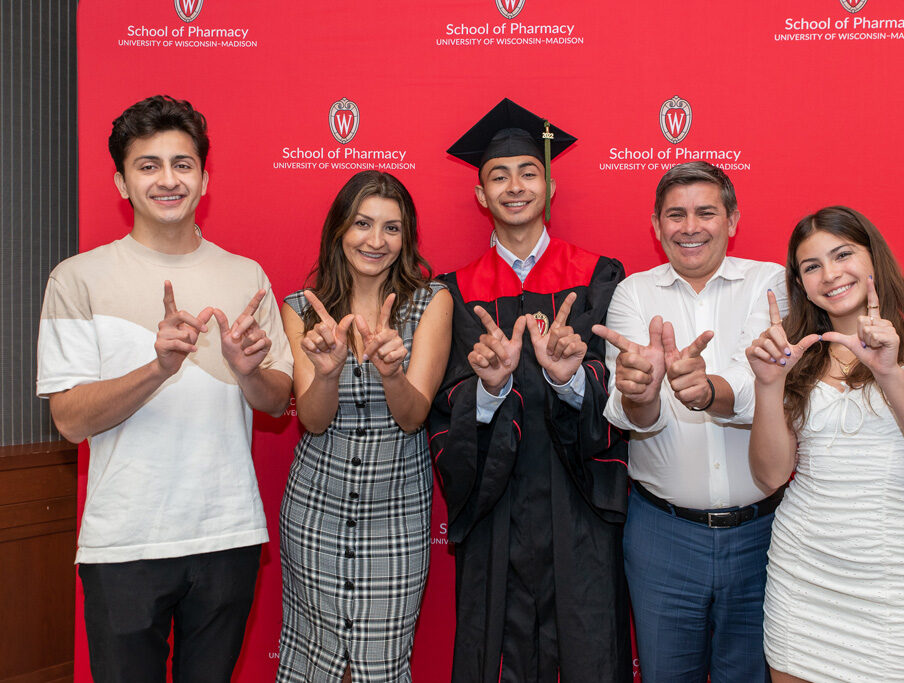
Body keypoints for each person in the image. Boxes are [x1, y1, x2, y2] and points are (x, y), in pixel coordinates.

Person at [36, 95, 294, 682]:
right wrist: (158, 367)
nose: (168, 179)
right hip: (124, 544)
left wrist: (247, 369)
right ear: (122, 183)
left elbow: (278, 402)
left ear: (205, 179)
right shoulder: (77, 278)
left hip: (228, 535)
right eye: (147, 165)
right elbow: (71, 421)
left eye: (182, 163)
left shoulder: (244, 275)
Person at [428, 98, 632, 683]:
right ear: (479, 195)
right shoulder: (453, 291)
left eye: (528, 172)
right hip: (496, 500)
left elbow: (622, 394)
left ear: (550, 185)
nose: (514, 186)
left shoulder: (598, 277)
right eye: (498, 175)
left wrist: (570, 381)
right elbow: (444, 402)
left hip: (579, 502)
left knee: (590, 652)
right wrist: (488, 392)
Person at [746, 206, 904, 682]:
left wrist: (889, 372)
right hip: (801, 580)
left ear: (873, 258)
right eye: (811, 266)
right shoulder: (796, 356)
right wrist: (767, 386)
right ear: (801, 285)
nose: (830, 274)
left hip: (892, 592)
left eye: (843, 254)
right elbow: (770, 476)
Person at [593, 161, 786, 682]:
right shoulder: (634, 294)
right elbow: (631, 414)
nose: (690, 226)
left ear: (732, 219)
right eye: (675, 215)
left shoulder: (770, 283)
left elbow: (761, 389)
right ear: (656, 227)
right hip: (662, 533)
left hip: (764, 533)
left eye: (706, 212)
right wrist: (641, 393)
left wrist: (707, 392)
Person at [276, 170, 452, 683]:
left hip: (396, 516)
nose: (376, 241)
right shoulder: (299, 310)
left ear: (407, 237)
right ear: (338, 230)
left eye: (392, 228)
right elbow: (310, 419)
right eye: (362, 224)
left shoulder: (431, 301)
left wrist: (390, 371)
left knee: (380, 667)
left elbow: (413, 416)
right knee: (316, 664)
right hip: (314, 514)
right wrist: (327, 373)